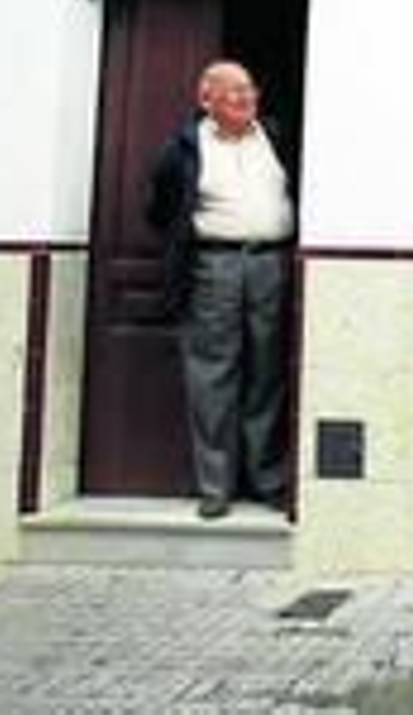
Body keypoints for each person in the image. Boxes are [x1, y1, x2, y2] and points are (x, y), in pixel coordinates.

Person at [146, 60, 295, 520]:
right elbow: (160, 210)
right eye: (234, 93)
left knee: (268, 372)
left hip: (271, 261)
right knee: (213, 376)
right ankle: (216, 486)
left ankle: (267, 480)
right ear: (206, 99)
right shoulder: (183, 149)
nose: (246, 99)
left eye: (250, 90)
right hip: (215, 265)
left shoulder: (275, 136)